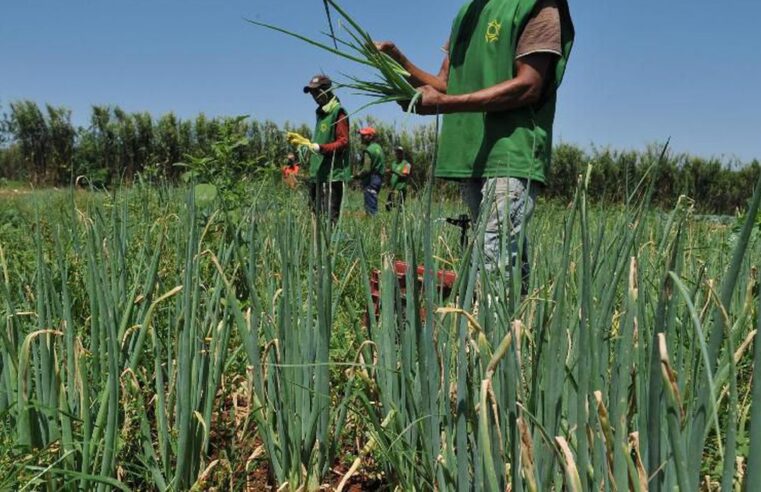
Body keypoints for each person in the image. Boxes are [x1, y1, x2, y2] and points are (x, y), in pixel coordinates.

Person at [376, 0, 574, 292]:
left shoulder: (538, 5)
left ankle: (484, 336)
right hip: (470, 154)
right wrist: (397, 61)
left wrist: (444, 104)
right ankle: (521, 329)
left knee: (494, 258)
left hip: (511, 152)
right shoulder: (467, 13)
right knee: (501, 256)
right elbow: (446, 83)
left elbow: (529, 85)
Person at [287, 74, 350, 224]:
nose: (314, 96)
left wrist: (320, 148)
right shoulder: (321, 113)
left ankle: (331, 247)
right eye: (312, 93)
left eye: (317, 92)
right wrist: (306, 144)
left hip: (331, 175)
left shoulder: (337, 112)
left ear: (327, 90)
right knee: (315, 217)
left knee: (329, 220)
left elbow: (343, 142)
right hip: (317, 174)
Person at [357, 127, 384, 216]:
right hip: (379, 178)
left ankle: (374, 225)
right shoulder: (379, 148)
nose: (361, 137)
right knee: (373, 200)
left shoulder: (368, 150)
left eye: (364, 135)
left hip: (371, 179)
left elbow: (366, 169)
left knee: (370, 208)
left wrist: (357, 176)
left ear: (370, 136)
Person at [386, 146, 412, 211]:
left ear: (402, 154)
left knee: (399, 207)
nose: (398, 154)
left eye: (400, 152)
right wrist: (389, 173)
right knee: (388, 205)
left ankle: (400, 220)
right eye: (397, 152)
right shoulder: (393, 163)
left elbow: (404, 176)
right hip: (393, 189)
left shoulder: (407, 164)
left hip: (401, 189)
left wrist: (393, 171)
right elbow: (393, 175)